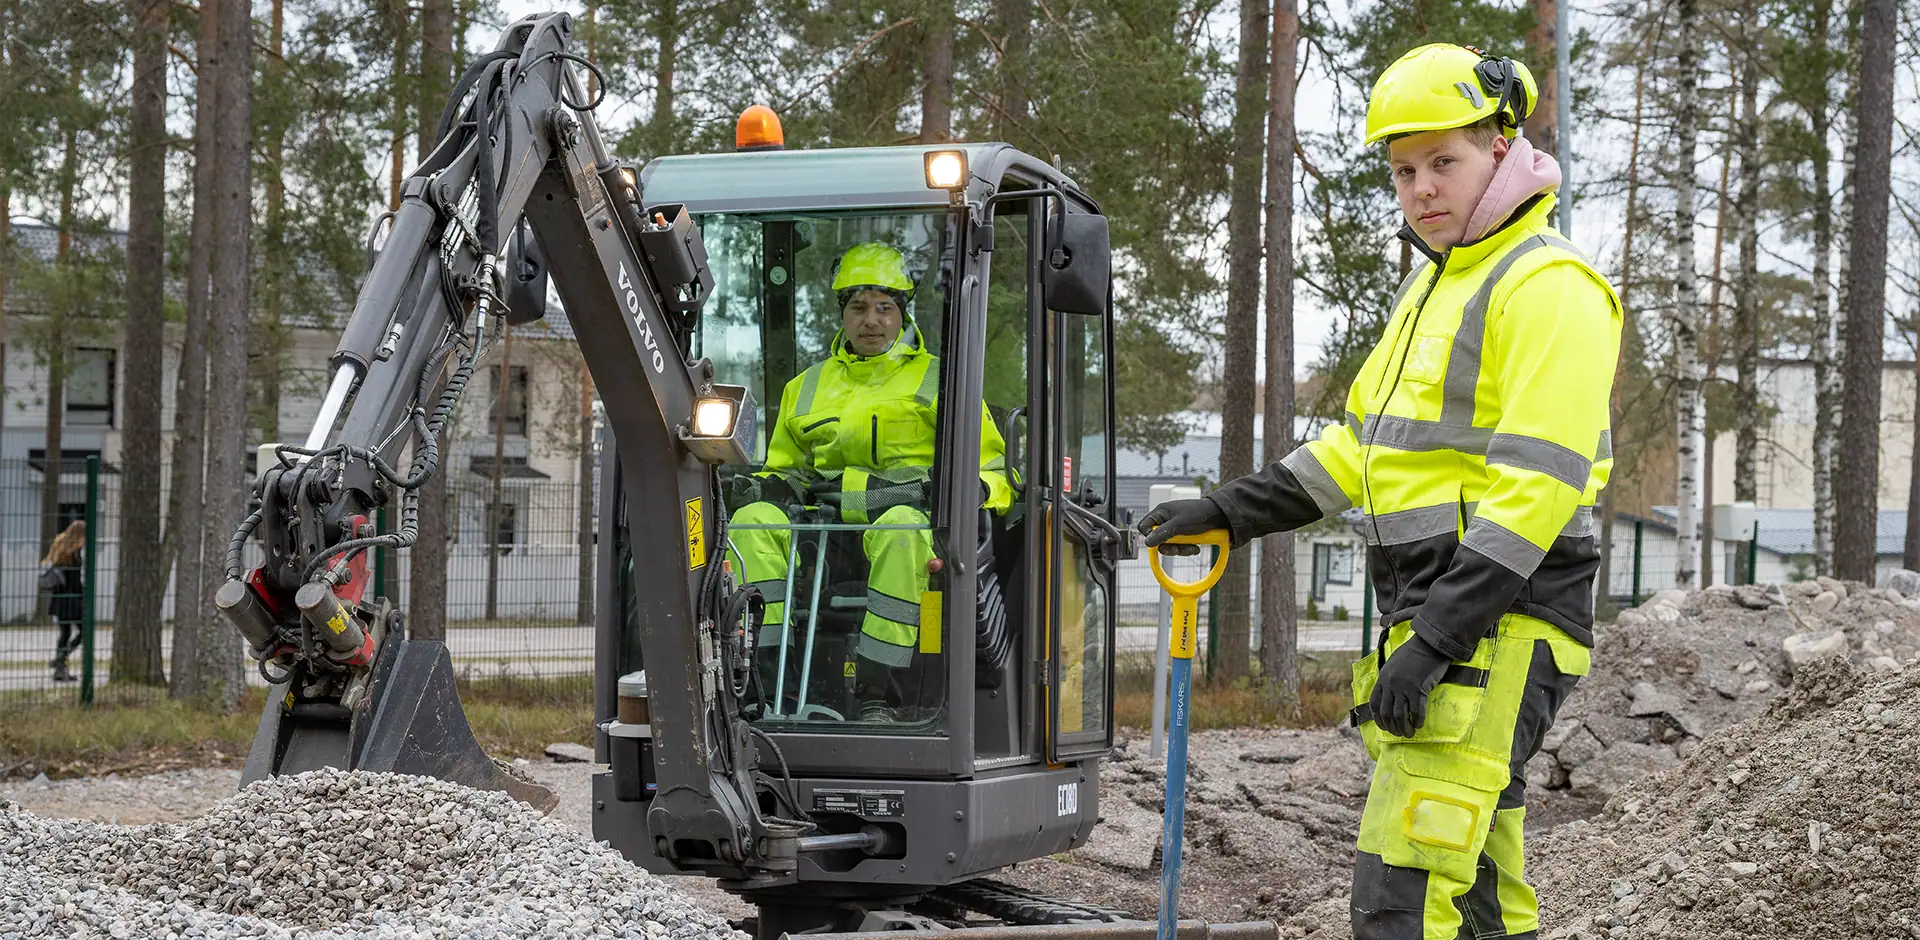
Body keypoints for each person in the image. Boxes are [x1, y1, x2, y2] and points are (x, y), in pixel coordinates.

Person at [1139, 44, 1620, 940]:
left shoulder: (1550, 286)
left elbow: (1536, 492)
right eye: (1405, 171)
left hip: (1502, 617)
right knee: (1476, 887)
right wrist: (1231, 512)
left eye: (1446, 161)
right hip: (1448, 617)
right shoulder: (1432, 289)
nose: (1423, 188)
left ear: (1503, 149)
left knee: (1403, 893)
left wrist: (1438, 637)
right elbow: (1365, 450)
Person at [727, 242, 1012, 719]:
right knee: (752, 521)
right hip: (824, 536)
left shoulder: (943, 381)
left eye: (884, 308)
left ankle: (877, 697)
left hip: (916, 528)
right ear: (842, 314)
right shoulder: (807, 387)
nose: (871, 321)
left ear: (903, 313)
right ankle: (763, 684)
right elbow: (783, 468)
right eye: (858, 308)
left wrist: (977, 492)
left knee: (900, 527)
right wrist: (756, 491)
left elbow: (994, 472)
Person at [42, 520, 86, 684]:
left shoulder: (59, 548)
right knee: (84, 631)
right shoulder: (73, 553)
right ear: (79, 536)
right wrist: (83, 595)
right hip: (72, 599)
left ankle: (60, 670)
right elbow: (74, 580)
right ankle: (60, 658)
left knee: (65, 632)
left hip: (59, 598)